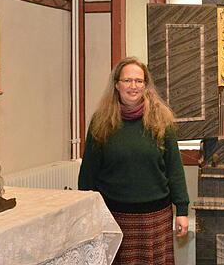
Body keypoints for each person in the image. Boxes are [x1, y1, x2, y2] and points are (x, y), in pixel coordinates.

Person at [79, 57, 189, 265]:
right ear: (117, 85)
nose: (133, 86)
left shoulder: (162, 120)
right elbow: (88, 174)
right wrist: (88, 214)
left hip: (155, 219)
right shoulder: (101, 121)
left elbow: (175, 169)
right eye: (128, 80)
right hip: (114, 218)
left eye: (139, 81)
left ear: (146, 85)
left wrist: (181, 210)